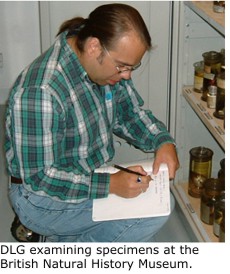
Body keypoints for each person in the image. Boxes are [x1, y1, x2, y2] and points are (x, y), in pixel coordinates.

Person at [5, 3, 179, 242]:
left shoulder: (107, 68)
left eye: (131, 67)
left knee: (157, 203)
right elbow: (40, 178)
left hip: (87, 175)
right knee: (149, 214)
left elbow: (128, 113)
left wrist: (163, 141)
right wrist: (109, 185)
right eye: (123, 67)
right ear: (94, 47)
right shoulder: (40, 91)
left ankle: (56, 238)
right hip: (41, 198)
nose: (127, 76)